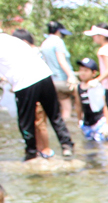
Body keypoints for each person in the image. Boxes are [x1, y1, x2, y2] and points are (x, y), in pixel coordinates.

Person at [0, 32, 74, 161]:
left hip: (25, 81)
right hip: (44, 75)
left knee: (26, 120)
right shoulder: (10, 39)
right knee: (54, 114)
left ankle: (31, 151)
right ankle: (67, 145)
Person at [40, 22, 77, 124]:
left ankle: (65, 126)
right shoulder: (58, 42)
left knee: (65, 108)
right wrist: (71, 76)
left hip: (52, 81)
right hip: (63, 79)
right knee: (82, 96)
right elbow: (61, 60)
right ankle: (81, 123)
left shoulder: (45, 43)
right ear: (57, 31)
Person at [76, 58, 108, 142]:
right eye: (81, 70)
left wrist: (107, 124)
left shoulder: (97, 86)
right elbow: (78, 105)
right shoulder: (78, 87)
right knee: (89, 144)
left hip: (99, 121)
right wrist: (79, 120)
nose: (82, 73)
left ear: (94, 73)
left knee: (100, 143)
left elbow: (105, 105)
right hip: (87, 122)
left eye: (86, 70)